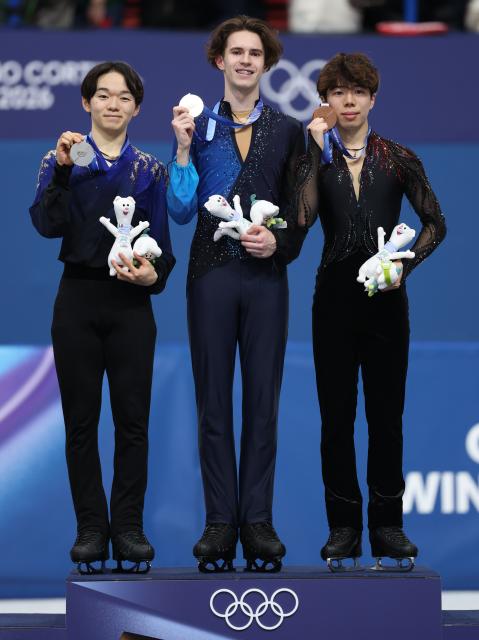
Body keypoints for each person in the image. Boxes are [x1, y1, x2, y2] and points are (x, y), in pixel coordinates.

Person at [295, 52, 446, 571]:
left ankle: (388, 526)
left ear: (373, 98)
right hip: (332, 302)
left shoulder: (399, 157)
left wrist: (405, 264)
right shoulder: (315, 155)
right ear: (326, 101)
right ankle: (342, 528)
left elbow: (435, 223)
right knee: (335, 420)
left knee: (387, 419)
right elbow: (299, 219)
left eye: (358, 91)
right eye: (339, 92)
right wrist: (312, 154)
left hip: (387, 305)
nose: (350, 101)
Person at [167, 15, 305, 572]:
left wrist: (281, 244)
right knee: (213, 405)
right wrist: (179, 151)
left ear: (267, 64)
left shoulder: (290, 129)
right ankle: (220, 523)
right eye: (235, 52)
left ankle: (258, 522)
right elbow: (179, 210)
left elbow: (300, 209)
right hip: (210, 276)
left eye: (255, 53)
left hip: (268, 280)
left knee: (262, 405)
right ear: (218, 61)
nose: (245, 60)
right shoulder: (195, 128)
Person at [29, 61, 175, 574]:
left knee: (133, 424)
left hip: (131, 307)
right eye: (103, 95)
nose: (113, 104)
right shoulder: (60, 158)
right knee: (81, 424)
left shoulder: (151, 171)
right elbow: (47, 224)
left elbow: (164, 253)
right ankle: (91, 529)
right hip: (78, 302)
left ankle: (129, 528)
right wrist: (65, 170)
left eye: (124, 97)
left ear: (136, 107)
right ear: (87, 102)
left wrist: (151, 277)